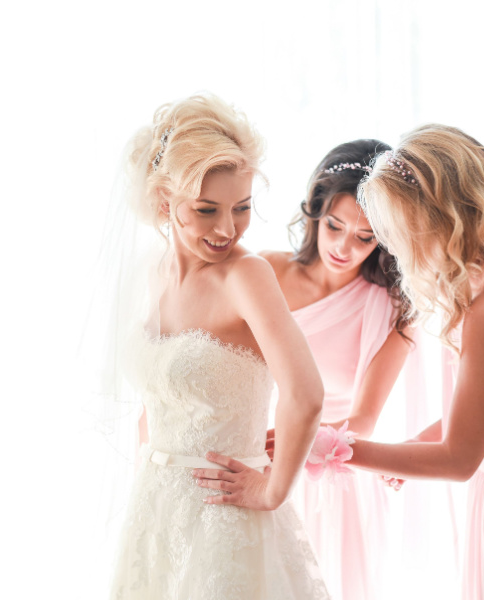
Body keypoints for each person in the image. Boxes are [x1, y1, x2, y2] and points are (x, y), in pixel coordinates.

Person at [200, 123, 484, 599]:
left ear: (440, 220)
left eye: (393, 232)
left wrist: (328, 444)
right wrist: (418, 440)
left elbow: (458, 459)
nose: (396, 249)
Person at [108, 93, 332, 599]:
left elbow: (306, 393)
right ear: (165, 201)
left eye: (243, 208)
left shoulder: (246, 275)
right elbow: (154, 403)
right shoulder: (150, 273)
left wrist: (274, 489)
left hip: (225, 520)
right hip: (155, 511)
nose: (228, 229)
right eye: (207, 210)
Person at [257, 139, 414, 599]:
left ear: (385, 240)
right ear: (315, 212)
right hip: (253, 456)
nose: (344, 247)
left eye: (364, 237)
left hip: (331, 481)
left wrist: (291, 443)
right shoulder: (263, 271)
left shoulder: (393, 310)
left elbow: (363, 421)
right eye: (334, 226)